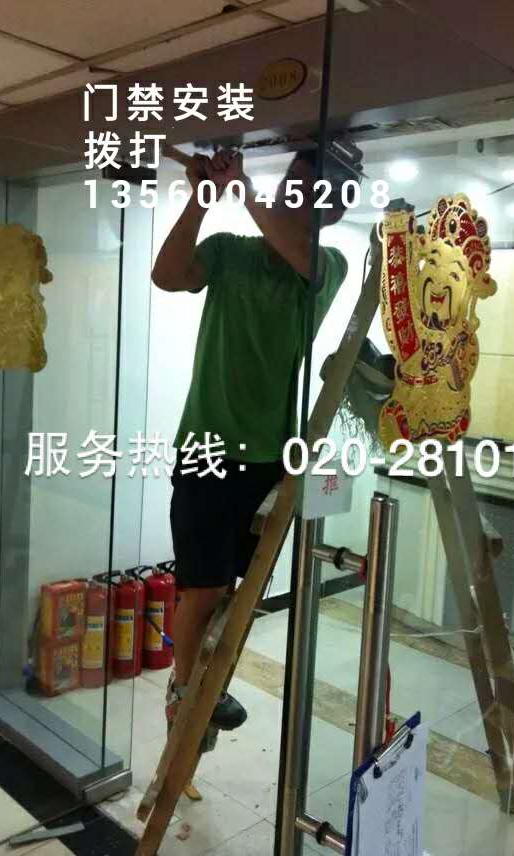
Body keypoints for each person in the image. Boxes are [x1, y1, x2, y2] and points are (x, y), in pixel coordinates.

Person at [152, 145, 358, 742]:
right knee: (204, 585)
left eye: (314, 188)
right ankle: (184, 688)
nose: (298, 190)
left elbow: (303, 258)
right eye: (295, 178)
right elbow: (167, 276)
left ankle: (208, 683)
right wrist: (203, 197)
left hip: (272, 458)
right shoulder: (229, 252)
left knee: (236, 591)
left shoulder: (328, 265)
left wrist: (239, 188)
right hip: (207, 450)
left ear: (333, 212)